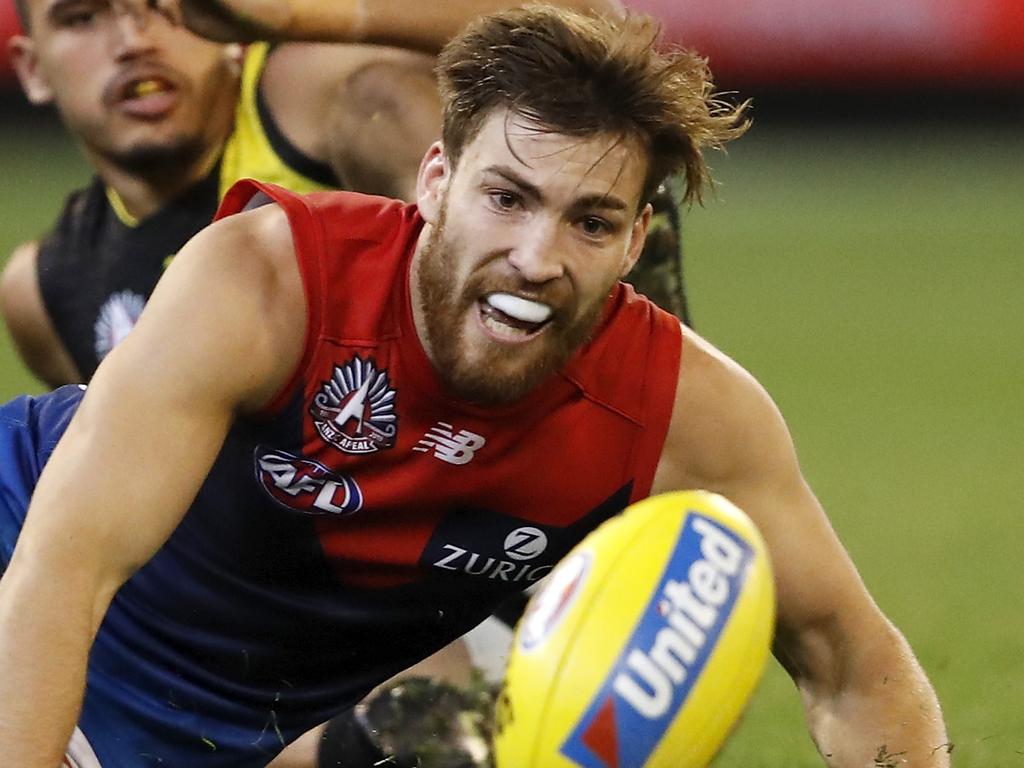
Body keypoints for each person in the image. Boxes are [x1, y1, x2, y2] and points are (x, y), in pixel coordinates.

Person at [0, 6, 948, 767]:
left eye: (590, 221)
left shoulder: (689, 418)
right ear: (436, 180)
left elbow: (855, 670)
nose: (535, 257)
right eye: (507, 197)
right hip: (36, 586)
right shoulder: (265, 281)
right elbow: (61, 572)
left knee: (460, 740)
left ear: (632, 245)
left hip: (263, 706)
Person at [1, 0, 688, 394]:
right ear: (32, 67)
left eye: (163, 7)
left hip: (511, 494)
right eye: (83, 16)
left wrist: (297, 14)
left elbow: (603, 34)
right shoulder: (47, 289)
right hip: (326, 595)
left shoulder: (309, 94)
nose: (133, 43)